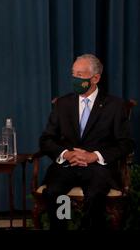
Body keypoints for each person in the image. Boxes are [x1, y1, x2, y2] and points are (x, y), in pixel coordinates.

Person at [39, 54, 133, 230]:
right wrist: (66, 154)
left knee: (94, 195)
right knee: (55, 193)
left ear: (95, 78)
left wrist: (94, 156)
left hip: (98, 168)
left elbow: (126, 143)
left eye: (80, 75)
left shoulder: (114, 105)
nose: (75, 79)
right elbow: (46, 139)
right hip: (67, 165)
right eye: (73, 74)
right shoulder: (63, 104)